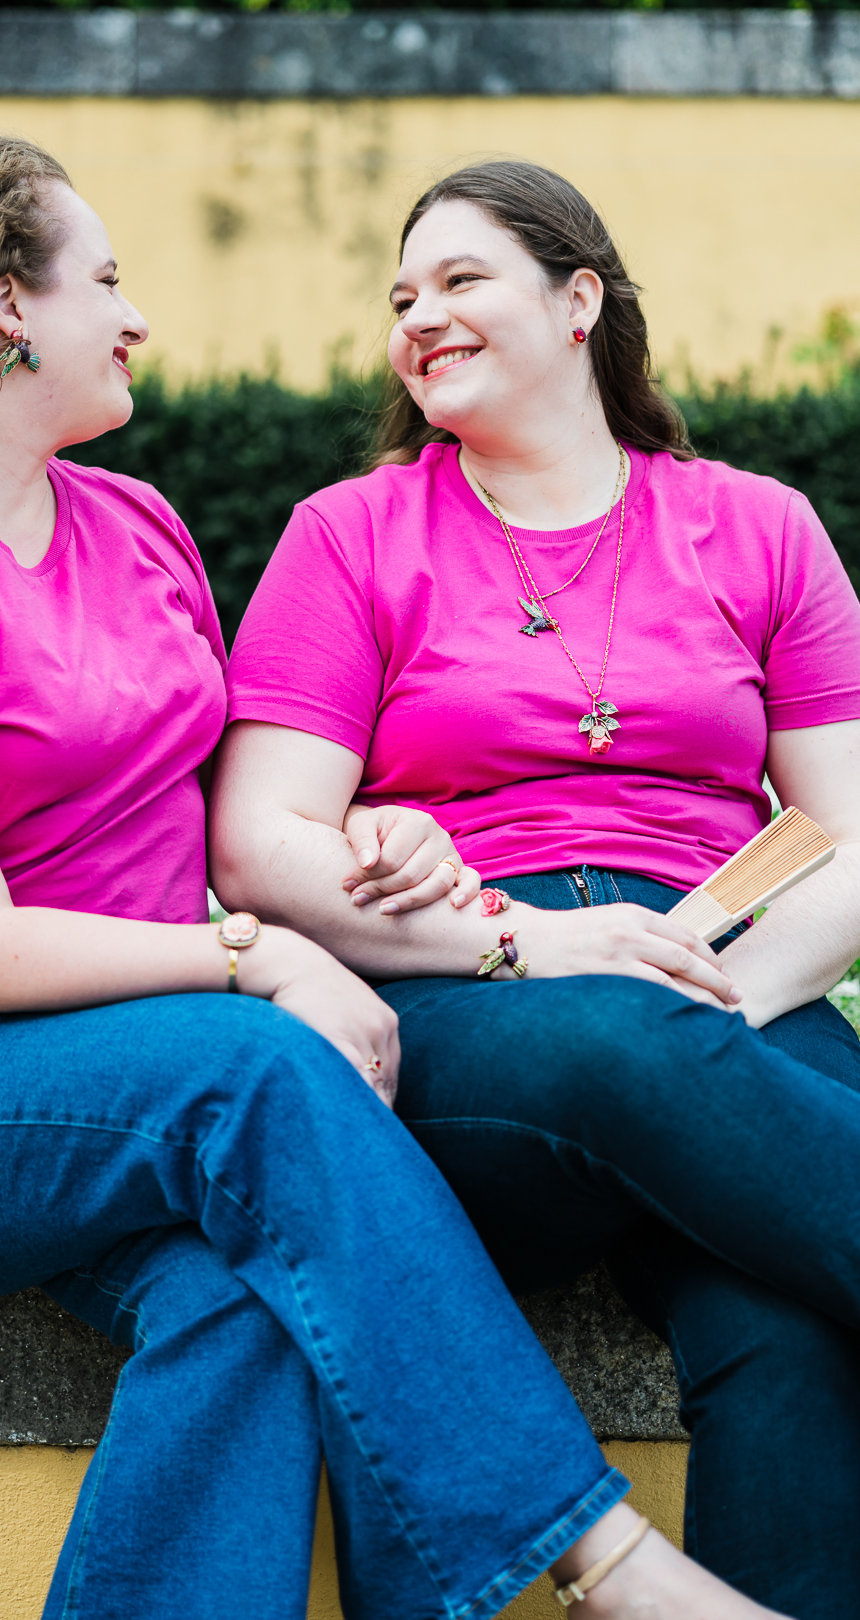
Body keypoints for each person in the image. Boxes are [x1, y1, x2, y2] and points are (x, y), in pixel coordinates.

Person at [0, 134, 783, 1620]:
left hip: (109, 1055)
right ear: (6, 307)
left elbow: (198, 817)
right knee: (257, 1075)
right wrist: (254, 956)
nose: (133, 317)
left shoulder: (136, 527)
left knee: (245, 1305)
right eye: (105, 280)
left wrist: (379, 843)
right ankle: (611, 1568)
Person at [211, 160, 860, 1620]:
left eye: (458, 280)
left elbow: (851, 831)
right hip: (467, 991)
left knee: (787, 1322)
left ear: (579, 302)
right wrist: (536, 944)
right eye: (400, 297)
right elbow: (260, 842)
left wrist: (719, 995)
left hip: (723, 968)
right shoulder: (351, 534)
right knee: (618, 1040)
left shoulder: (758, 528)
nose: (418, 316)